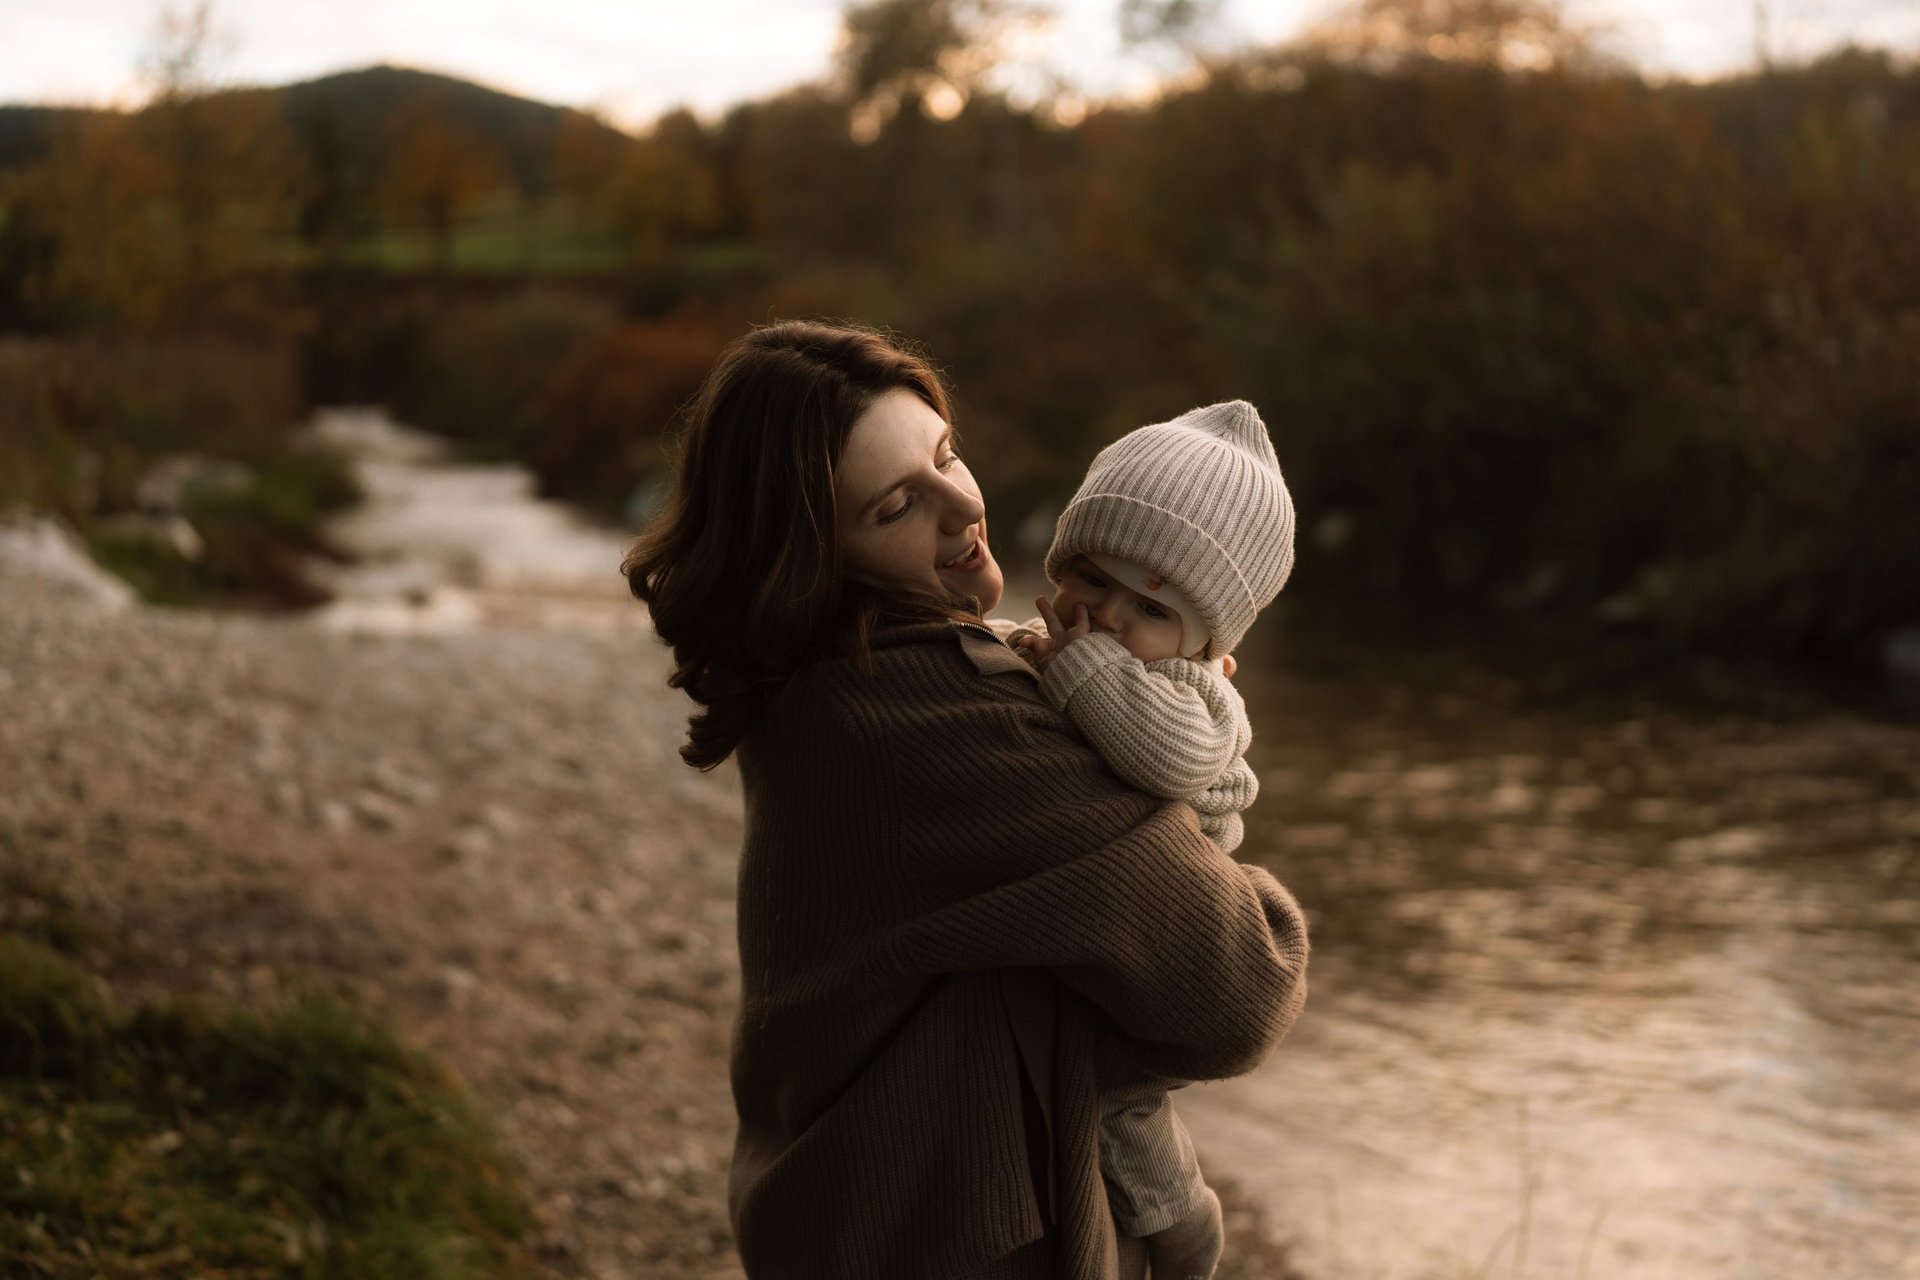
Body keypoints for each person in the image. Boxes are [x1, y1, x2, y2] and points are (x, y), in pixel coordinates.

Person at [623, 319, 1309, 1280]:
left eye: (947, 455)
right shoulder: (940, 707)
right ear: (807, 553)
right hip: (957, 1238)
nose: (963, 509)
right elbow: (1244, 985)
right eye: (899, 503)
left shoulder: (821, 677)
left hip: (861, 1212)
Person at [998, 401, 1296, 1280]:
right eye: (1091, 581)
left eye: (1151, 611)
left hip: (1170, 917)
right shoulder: (1078, 648)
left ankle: (1185, 1221)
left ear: (1212, 648)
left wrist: (1076, 668)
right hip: (1103, 911)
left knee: (1121, 1099)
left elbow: (1160, 760)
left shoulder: (1198, 699)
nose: (1111, 619)